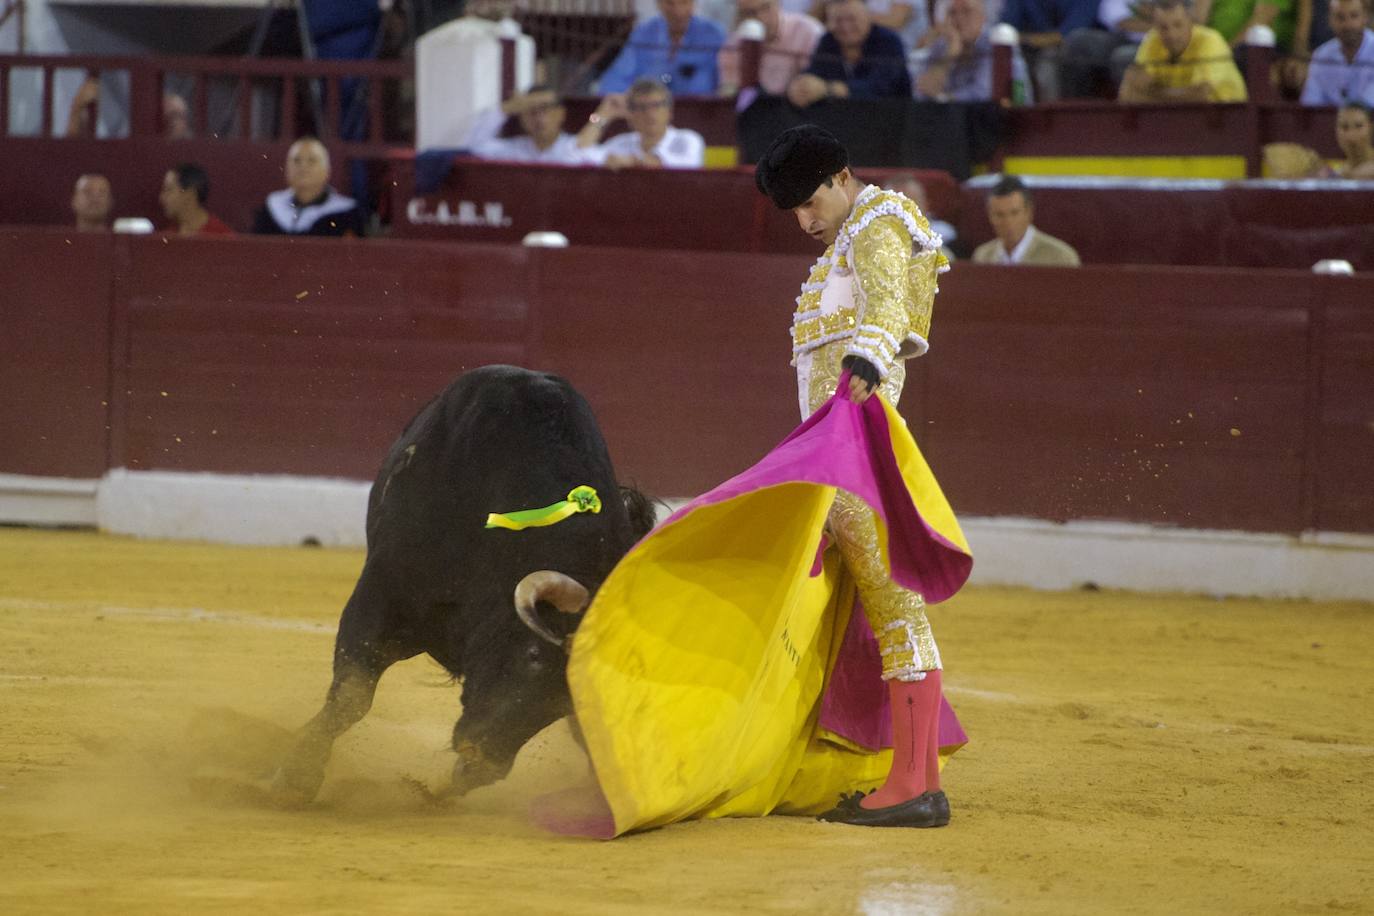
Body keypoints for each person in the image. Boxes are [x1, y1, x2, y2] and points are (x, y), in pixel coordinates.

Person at [551, 125, 971, 837]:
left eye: (810, 202)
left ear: (841, 176)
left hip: (859, 460)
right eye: (794, 212)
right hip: (838, 466)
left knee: (894, 615)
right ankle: (911, 780)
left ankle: (912, 785)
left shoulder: (879, 220)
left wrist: (868, 359)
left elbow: (889, 305)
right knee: (882, 615)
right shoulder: (847, 235)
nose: (803, 221)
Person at [787, 0, 912, 106]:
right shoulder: (828, 40)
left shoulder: (889, 41)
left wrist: (828, 89)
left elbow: (879, 87)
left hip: (889, 120)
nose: (845, 27)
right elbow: (815, 71)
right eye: (838, 20)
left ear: (868, 17)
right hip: (839, 121)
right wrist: (801, 85)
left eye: (852, 19)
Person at [1119, 0, 1248, 102]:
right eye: (1163, 27)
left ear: (1191, 22)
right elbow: (1128, 94)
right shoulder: (1153, 40)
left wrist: (1153, 94)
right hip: (1177, 120)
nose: (1172, 34)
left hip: (1225, 121)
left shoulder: (1210, 40)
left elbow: (1201, 96)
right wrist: (1178, 95)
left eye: (1178, 25)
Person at [913, 0, 1035, 101]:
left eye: (967, 12)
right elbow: (922, 93)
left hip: (1003, 122)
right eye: (952, 13)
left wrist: (942, 99)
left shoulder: (997, 43)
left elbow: (983, 95)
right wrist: (950, 55)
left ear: (982, 16)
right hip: (953, 122)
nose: (959, 19)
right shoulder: (942, 45)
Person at [599, 0, 727, 94]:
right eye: (670, 3)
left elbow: (724, 84)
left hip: (699, 113)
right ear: (658, 4)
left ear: (694, 3)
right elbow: (618, 77)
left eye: (684, 2)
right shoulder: (643, 33)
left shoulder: (714, 34)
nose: (678, 11)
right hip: (647, 113)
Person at [578, 78, 707, 169]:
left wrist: (634, 162)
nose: (650, 113)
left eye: (656, 106)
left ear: (669, 112)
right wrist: (601, 115)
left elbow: (684, 166)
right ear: (630, 115)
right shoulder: (620, 143)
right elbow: (579, 155)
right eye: (642, 107)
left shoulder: (687, 139)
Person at [251, 138, 366, 237]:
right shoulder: (271, 208)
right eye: (296, 160)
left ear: (327, 171)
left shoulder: (347, 214)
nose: (303, 167)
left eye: (312, 161)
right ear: (287, 169)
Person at [463, 85, 593, 164]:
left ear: (561, 114)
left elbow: (595, 156)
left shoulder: (574, 146)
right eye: (532, 111)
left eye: (545, 110)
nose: (539, 117)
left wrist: (600, 117)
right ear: (522, 118)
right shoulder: (512, 151)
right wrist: (507, 108)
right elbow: (475, 147)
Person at [718, 0, 826, 95]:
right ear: (740, 15)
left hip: (799, 110)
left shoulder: (808, 32)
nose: (760, 18)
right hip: (756, 110)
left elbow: (817, 83)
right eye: (750, 13)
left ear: (779, 4)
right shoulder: (733, 46)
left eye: (766, 7)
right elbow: (730, 92)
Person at [972, 176, 1081, 266]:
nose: (1008, 222)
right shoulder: (982, 257)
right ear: (990, 216)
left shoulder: (1060, 257)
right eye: (999, 215)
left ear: (1029, 212)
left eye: (1014, 213)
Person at [1061, 0, 1156, 99]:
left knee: (1123, 56)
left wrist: (1165, 28)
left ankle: (1131, 110)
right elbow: (1123, 22)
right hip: (1125, 38)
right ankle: (1078, 108)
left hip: (1162, 40)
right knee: (1079, 40)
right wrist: (1162, 24)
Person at [1301, 0, 1374, 106]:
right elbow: (1311, 105)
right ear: (1330, 20)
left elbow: (1368, 106)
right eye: (1340, 17)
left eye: (1354, 16)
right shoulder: (1321, 55)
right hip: (1328, 121)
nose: (1347, 25)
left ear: (1365, 18)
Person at [882, 172, 959, 260]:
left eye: (912, 204)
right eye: (895, 205)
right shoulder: (872, 233)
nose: (903, 211)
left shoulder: (944, 233)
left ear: (926, 205)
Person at [159, 163, 235, 236]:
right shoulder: (167, 238)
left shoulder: (222, 237)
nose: (162, 198)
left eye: (169, 190)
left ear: (189, 193)